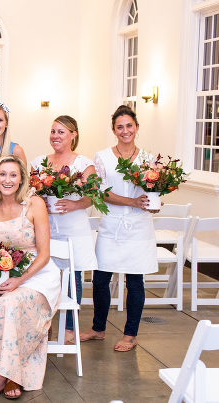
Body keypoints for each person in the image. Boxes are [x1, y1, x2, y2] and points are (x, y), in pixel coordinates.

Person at [0, 155, 60, 399]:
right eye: (2, 174)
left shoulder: (34, 204)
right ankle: (13, 374)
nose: (7, 179)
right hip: (4, 271)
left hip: (37, 273)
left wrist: (20, 281)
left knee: (11, 302)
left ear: (21, 180)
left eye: (13, 175)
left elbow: (44, 254)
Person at [79, 105, 157, 352]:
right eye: (120, 127)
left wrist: (154, 202)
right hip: (111, 224)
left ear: (136, 127)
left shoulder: (148, 159)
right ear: (114, 130)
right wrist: (131, 202)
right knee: (101, 279)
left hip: (139, 227)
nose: (125, 131)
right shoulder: (102, 157)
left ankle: (130, 334)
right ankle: (98, 328)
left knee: (135, 282)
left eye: (129, 126)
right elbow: (100, 192)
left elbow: (150, 191)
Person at [30, 115, 98, 342]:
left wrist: (76, 204)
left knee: (73, 276)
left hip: (74, 228)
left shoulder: (83, 164)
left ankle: (70, 327)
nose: (55, 136)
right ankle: (43, 323)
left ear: (73, 135)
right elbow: (29, 193)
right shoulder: (40, 162)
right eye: (53, 131)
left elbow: (93, 196)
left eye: (61, 132)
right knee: (43, 275)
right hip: (47, 227)